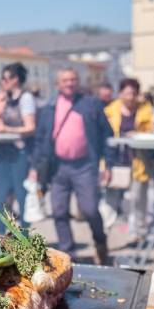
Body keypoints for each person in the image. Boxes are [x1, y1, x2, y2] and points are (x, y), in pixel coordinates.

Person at [30, 68, 116, 265]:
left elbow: (107, 135)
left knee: (90, 209)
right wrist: (35, 166)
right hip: (58, 167)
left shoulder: (90, 104)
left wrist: (109, 165)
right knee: (59, 211)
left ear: (77, 82)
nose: (69, 83)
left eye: (73, 79)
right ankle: (68, 255)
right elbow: (40, 139)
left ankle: (100, 241)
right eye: (65, 80)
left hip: (85, 166)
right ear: (57, 84)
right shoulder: (49, 106)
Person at [0, 62, 37, 230]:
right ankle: (2, 236)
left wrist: (7, 129)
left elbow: (30, 127)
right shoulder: (5, 98)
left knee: (21, 195)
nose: (2, 82)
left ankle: (24, 236)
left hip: (20, 153)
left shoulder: (26, 98)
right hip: (3, 152)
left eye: (5, 78)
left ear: (15, 79)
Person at [103, 78, 154, 241]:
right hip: (116, 160)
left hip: (138, 161)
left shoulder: (145, 110)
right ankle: (102, 233)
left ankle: (138, 233)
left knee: (138, 198)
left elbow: (151, 131)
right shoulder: (110, 110)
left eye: (133, 93)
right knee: (110, 199)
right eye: (127, 93)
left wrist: (138, 135)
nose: (130, 97)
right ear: (120, 94)